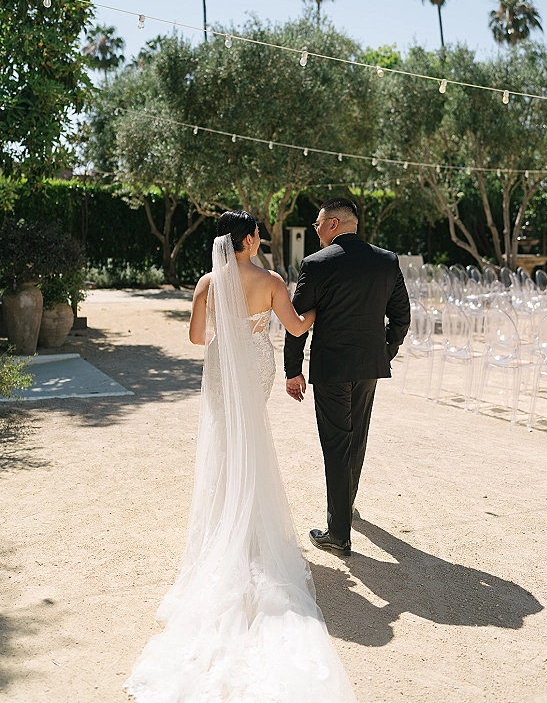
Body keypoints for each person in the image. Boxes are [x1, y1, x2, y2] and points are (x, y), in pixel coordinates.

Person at [124, 211, 357, 703]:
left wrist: (225, 334)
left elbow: (194, 338)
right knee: (254, 441)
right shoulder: (271, 280)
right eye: (258, 234)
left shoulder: (209, 281)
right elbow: (296, 326)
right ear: (249, 240)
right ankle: (252, 535)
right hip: (255, 366)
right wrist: (323, 311)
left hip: (221, 370)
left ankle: (223, 531)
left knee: (227, 446)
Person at [284, 197, 411, 557]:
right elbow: (402, 316)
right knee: (356, 438)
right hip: (369, 366)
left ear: (334, 224)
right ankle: (345, 506)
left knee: (337, 444)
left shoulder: (316, 264)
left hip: (331, 368)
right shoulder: (386, 261)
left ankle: (338, 533)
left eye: (318, 224)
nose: (316, 230)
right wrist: (386, 351)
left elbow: (297, 323)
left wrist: (293, 370)